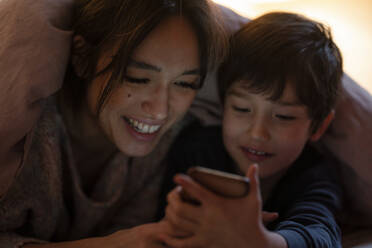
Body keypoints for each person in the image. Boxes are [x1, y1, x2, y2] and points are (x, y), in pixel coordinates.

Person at [0, 0, 226, 247]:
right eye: (138, 78)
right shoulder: (25, 131)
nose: (160, 111)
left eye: (184, 84)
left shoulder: (169, 144)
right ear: (83, 57)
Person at [159, 12, 344, 248]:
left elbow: (322, 236)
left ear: (318, 126)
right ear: (223, 105)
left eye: (283, 116)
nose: (258, 133)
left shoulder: (313, 177)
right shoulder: (196, 149)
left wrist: (259, 241)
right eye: (242, 108)